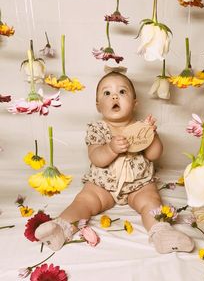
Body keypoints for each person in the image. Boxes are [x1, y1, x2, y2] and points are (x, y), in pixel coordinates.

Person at [35, 71, 194, 253]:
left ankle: (161, 233)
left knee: (151, 201)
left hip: (139, 185)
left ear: (134, 103)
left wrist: (152, 135)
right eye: (107, 93)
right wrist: (110, 149)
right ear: (98, 106)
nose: (115, 96)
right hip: (103, 186)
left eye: (122, 92)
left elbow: (153, 155)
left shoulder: (141, 128)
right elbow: (96, 158)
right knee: (84, 201)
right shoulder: (97, 129)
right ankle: (61, 229)